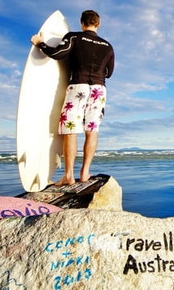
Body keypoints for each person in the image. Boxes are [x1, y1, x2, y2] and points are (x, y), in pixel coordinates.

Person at [30, 10, 115, 186]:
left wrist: (40, 44)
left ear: (82, 22)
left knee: (70, 130)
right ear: (98, 24)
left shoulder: (74, 38)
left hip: (79, 86)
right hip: (99, 90)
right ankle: (84, 173)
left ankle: (68, 175)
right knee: (92, 131)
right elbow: (109, 72)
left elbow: (57, 53)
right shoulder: (108, 46)